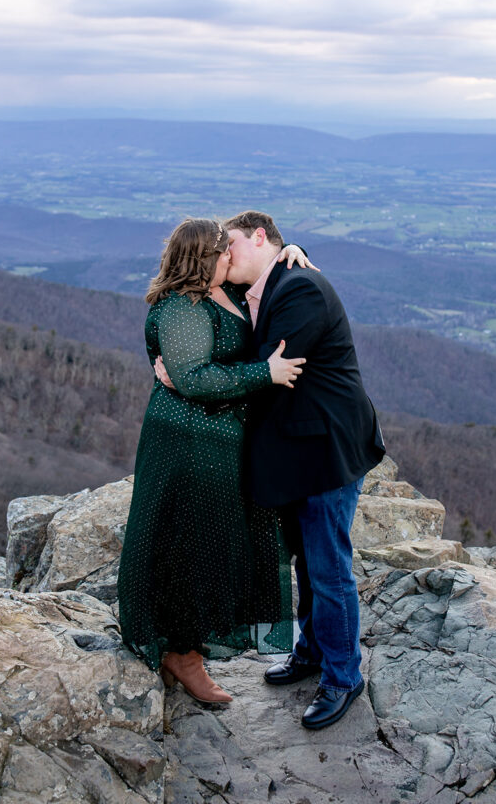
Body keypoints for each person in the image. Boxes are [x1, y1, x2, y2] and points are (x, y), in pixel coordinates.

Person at [117, 217, 309, 706]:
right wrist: (264, 373)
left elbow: (197, 370)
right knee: (187, 546)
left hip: (219, 444)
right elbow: (197, 378)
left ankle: (190, 645)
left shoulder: (222, 293)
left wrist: (291, 252)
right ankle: (181, 654)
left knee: (211, 545)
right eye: (224, 251)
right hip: (186, 446)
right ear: (204, 258)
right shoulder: (183, 305)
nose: (232, 256)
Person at [222, 210, 386, 730]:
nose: (226, 258)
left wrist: (193, 378)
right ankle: (311, 651)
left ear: (261, 237)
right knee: (305, 564)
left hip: (325, 451)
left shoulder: (299, 289)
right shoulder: (269, 285)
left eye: (231, 247)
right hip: (297, 452)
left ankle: (343, 677)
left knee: (329, 568)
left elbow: (266, 366)